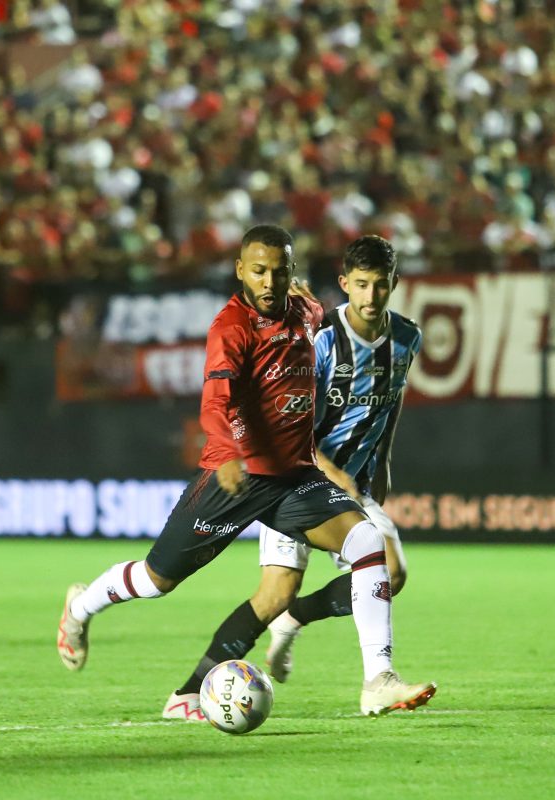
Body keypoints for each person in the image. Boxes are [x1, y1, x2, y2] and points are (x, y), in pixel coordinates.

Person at [56, 225, 436, 718]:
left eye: (280, 272)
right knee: (157, 580)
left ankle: (377, 681)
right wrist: (227, 450)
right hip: (236, 478)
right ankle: (82, 607)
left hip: (295, 478)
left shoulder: (306, 312)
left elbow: (314, 314)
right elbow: (216, 401)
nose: (270, 281)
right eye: (259, 271)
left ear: (293, 273)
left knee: (367, 543)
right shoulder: (230, 328)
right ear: (240, 271)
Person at [162, 235, 432, 722]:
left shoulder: (407, 338)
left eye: (381, 286)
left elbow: (389, 408)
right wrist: (327, 472)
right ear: (345, 284)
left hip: (350, 485)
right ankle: (190, 690)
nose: (371, 297)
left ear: (395, 285)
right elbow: (292, 413)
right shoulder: (320, 335)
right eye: (362, 286)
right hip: (299, 478)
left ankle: (370, 673)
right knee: (273, 596)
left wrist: (382, 466)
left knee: (390, 571)